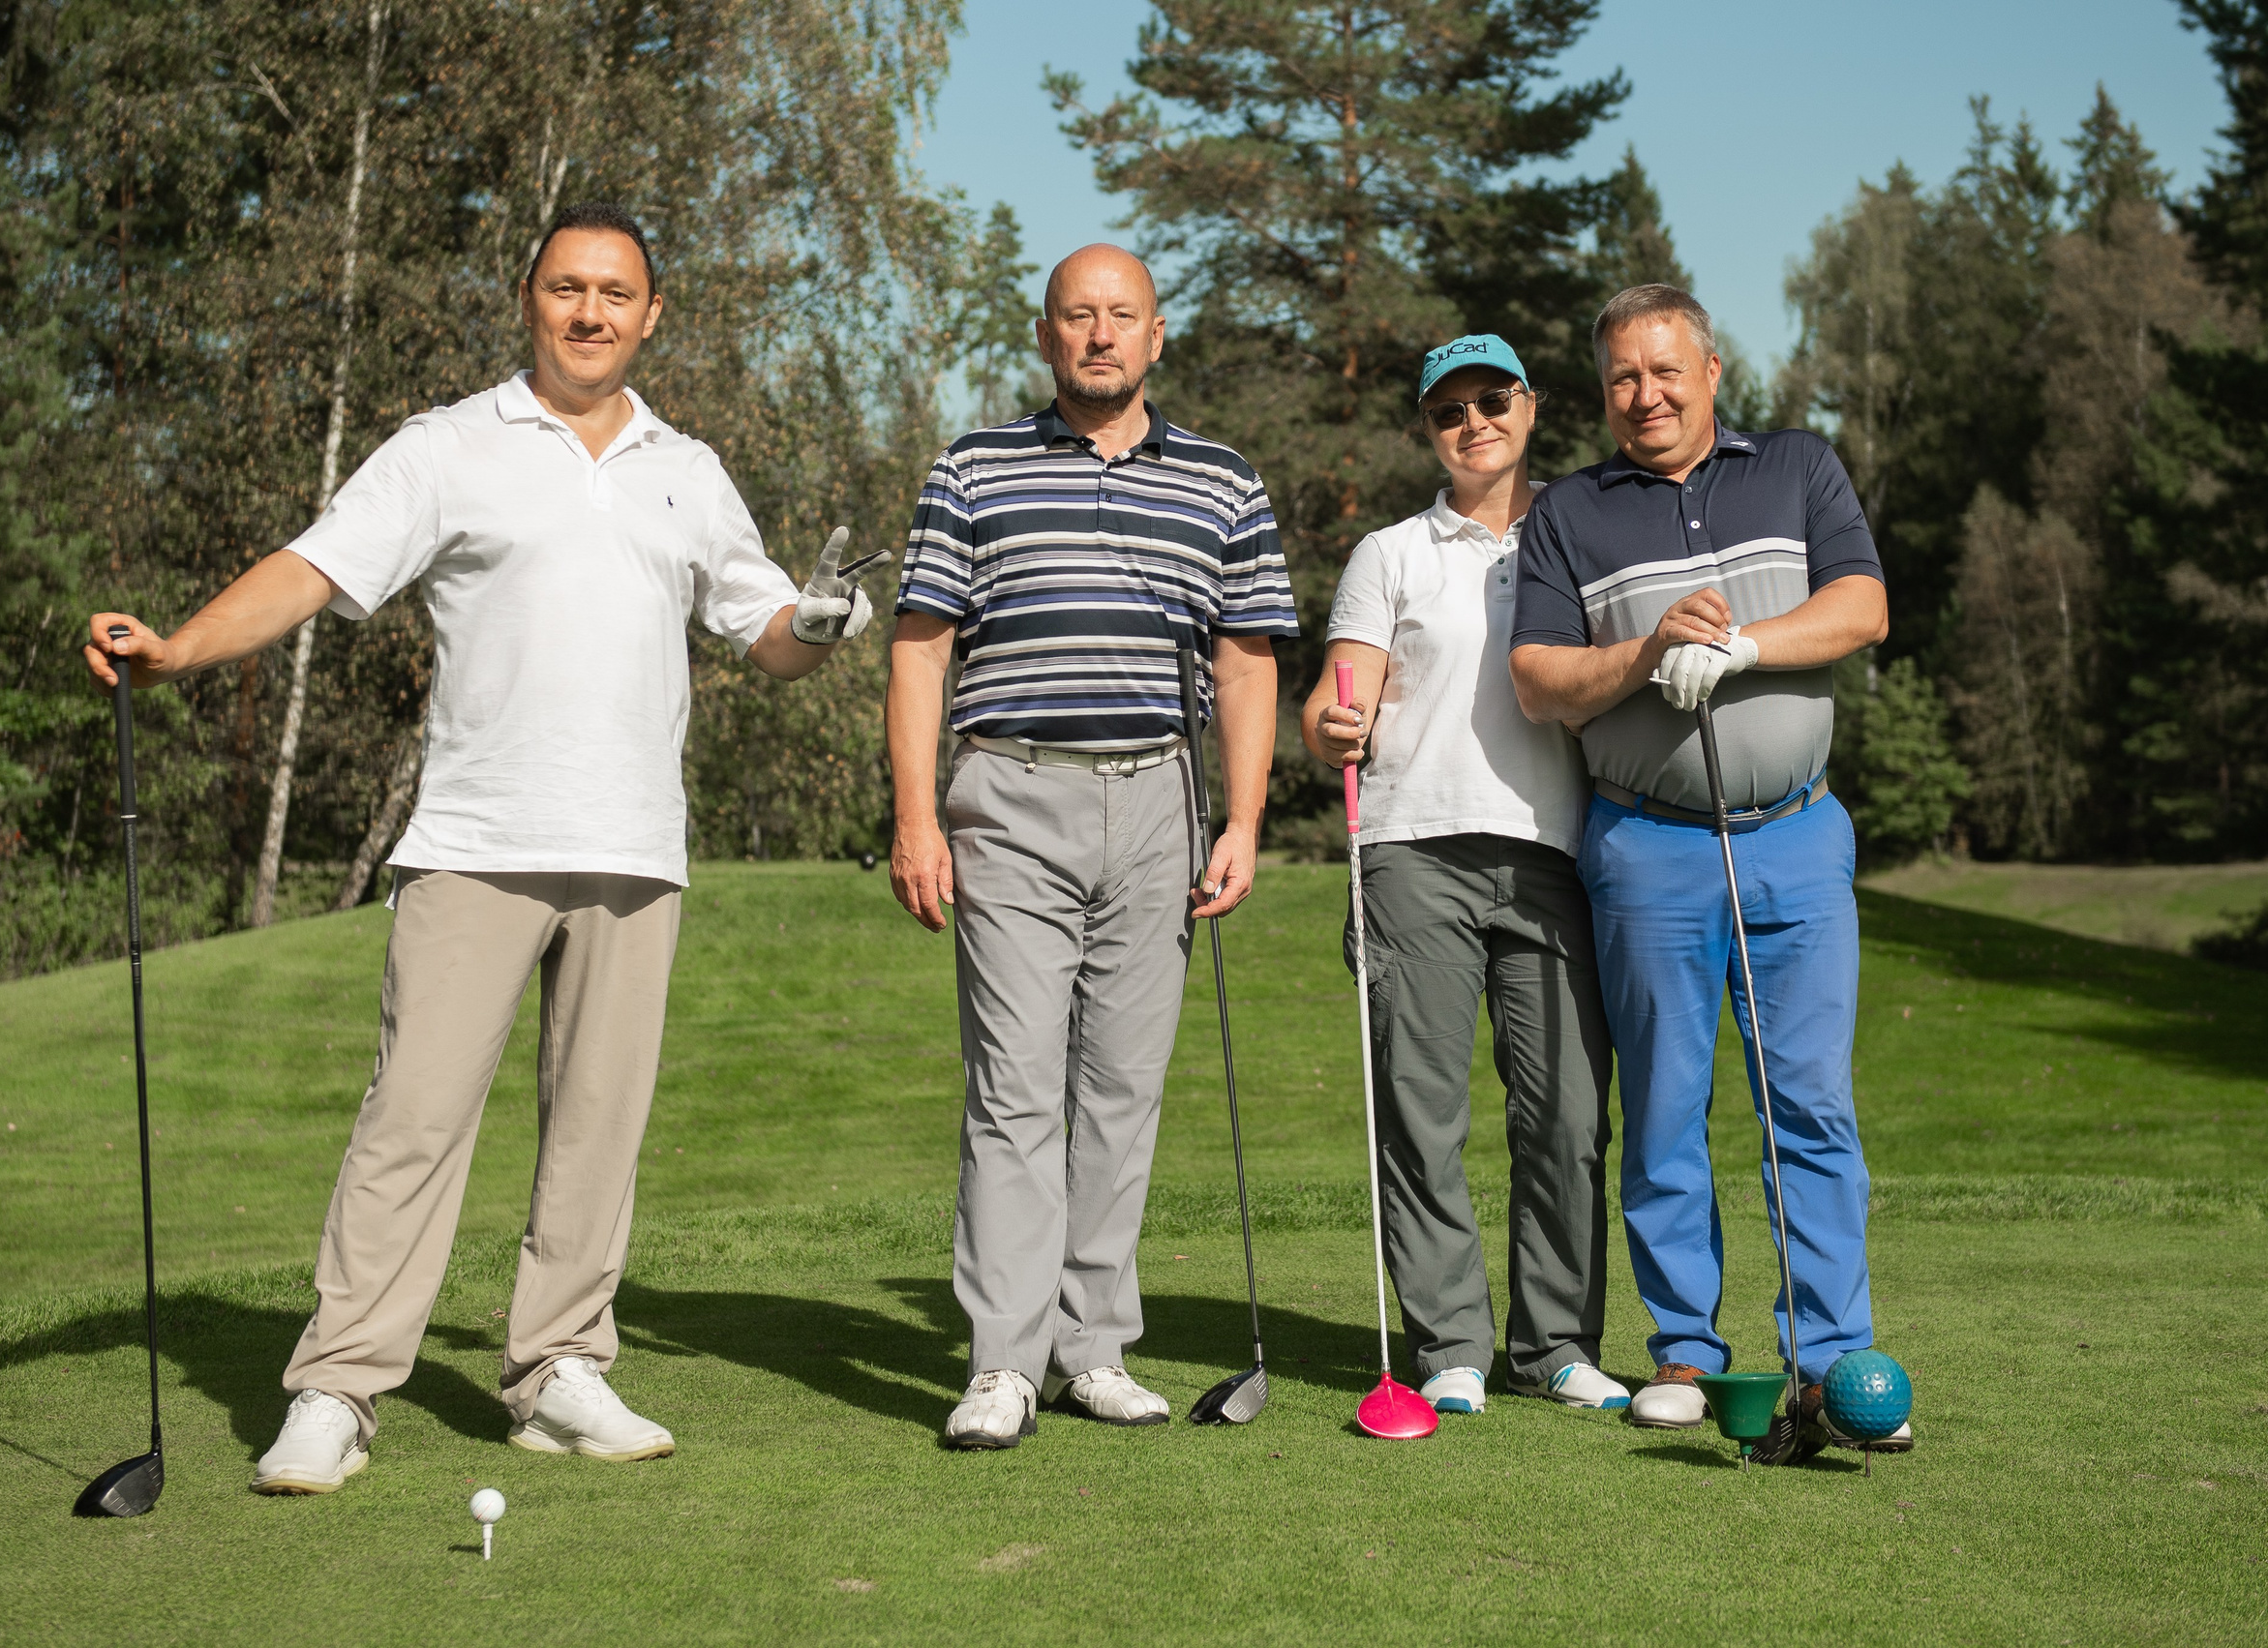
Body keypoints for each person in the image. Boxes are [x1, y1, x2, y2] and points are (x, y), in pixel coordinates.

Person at [84, 202, 878, 1494]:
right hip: (476, 839)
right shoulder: (447, 446)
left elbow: (766, 627)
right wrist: (176, 648)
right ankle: (337, 1385)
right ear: (529, 299)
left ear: (652, 314)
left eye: (615, 293)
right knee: (413, 1119)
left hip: (634, 848)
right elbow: (310, 567)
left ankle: (558, 1368)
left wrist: (824, 620)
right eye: (566, 287)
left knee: (598, 1127)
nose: (589, 312)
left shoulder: (690, 466)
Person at [884, 244, 1296, 1450]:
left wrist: (1246, 818)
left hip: (1161, 800)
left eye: (1122, 317)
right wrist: (916, 818)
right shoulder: (974, 467)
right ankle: (1004, 1363)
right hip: (1010, 792)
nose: (1099, 335)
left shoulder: (1223, 481)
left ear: (1157, 336)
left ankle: (1092, 1346)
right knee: (1015, 1091)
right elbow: (920, 646)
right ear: (1045, 334)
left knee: (1121, 1088)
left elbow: (1247, 658)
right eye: (1078, 316)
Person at [1506, 283, 1909, 1459]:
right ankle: (1685, 1346)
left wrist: (1741, 644)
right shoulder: (1570, 511)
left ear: (1711, 369)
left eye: (1665, 370)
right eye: (1623, 377)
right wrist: (1646, 653)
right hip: (1647, 846)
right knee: (1666, 1107)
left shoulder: (1796, 466)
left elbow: (1863, 606)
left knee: (1811, 1105)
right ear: (1603, 391)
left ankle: (1831, 1355)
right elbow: (1538, 678)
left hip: (1794, 832)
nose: (1646, 395)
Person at [1299, 334, 1625, 1420]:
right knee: (1420, 1110)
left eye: (1492, 399)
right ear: (1427, 430)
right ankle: (1450, 1341)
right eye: (1449, 411)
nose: (1473, 422)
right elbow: (1332, 700)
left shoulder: (1584, 530)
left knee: (1567, 1115)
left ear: (1529, 407)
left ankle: (1557, 1343)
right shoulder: (1392, 552)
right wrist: (1331, 720)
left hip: (1556, 851)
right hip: (1412, 848)